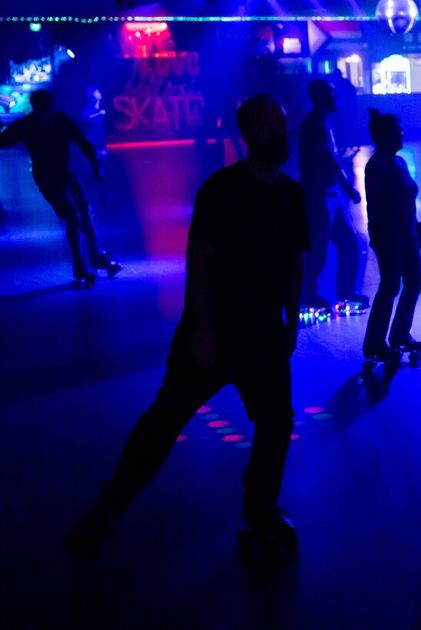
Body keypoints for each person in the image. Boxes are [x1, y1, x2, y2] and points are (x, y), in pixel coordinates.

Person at [63, 95, 310, 559]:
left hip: (263, 334)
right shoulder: (221, 190)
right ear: (250, 134)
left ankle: (260, 512)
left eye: (282, 121)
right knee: (165, 419)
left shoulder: (290, 195)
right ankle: (110, 507)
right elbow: (199, 259)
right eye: (271, 124)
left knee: (275, 425)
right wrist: (202, 330)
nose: (281, 131)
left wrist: (290, 323)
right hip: (215, 328)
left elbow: (296, 261)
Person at [0, 89, 120, 286]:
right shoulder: (57, 120)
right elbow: (85, 145)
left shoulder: (29, 123)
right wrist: (98, 171)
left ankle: (86, 263)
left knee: (78, 213)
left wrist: (98, 170)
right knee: (78, 214)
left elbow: (3, 141)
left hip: (51, 177)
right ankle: (87, 262)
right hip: (60, 176)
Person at [362, 108, 421, 362]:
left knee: (413, 283)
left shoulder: (398, 162)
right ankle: (374, 342)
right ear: (385, 136)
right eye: (397, 132)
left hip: (407, 233)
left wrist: (418, 227)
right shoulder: (377, 166)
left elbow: (407, 200)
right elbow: (375, 205)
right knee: (390, 287)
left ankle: (399, 333)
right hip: (390, 236)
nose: (402, 135)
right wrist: (377, 236)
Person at [299, 78, 367, 309]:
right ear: (321, 97)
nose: (336, 98)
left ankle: (343, 291)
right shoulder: (315, 125)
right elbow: (326, 160)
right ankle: (310, 294)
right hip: (320, 197)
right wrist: (347, 186)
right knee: (321, 248)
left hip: (328, 196)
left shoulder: (321, 123)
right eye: (332, 94)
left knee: (346, 243)